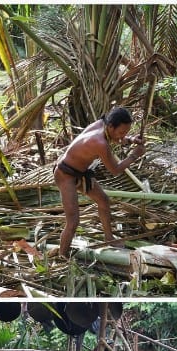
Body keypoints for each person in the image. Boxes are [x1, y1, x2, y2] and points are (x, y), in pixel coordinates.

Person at [54, 106, 146, 257]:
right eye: (122, 132)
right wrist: (134, 155)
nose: (124, 135)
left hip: (80, 173)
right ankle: (62, 257)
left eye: (127, 132)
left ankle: (109, 238)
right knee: (73, 222)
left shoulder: (101, 124)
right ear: (110, 126)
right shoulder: (100, 143)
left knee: (103, 200)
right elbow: (115, 170)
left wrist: (131, 140)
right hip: (65, 175)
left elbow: (116, 138)